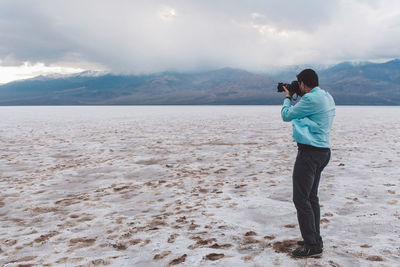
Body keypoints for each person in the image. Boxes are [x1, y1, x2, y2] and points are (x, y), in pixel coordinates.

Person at [281, 69, 335, 258]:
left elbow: (287, 115)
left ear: (303, 84)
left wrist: (288, 97)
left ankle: (312, 245)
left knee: (301, 199)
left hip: (310, 153)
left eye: (299, 84)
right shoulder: (326, 96)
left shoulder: (310, 100)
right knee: (311, 198)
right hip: (322, 151)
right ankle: (314, 238)